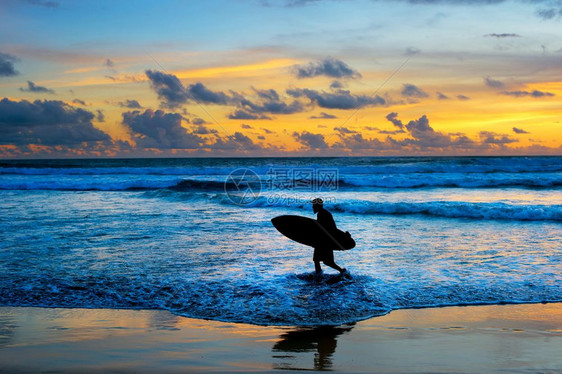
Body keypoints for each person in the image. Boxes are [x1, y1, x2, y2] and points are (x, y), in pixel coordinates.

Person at [312, 198, 346, 275]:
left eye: (314, 205)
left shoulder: (322, 214)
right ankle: (341, 271)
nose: (313, 207)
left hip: (325, 241)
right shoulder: (323, 213)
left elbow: (322, 228)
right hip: (326, 240)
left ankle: (319, 275)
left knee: (321, 260)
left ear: (318, 205)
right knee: (325, 261)